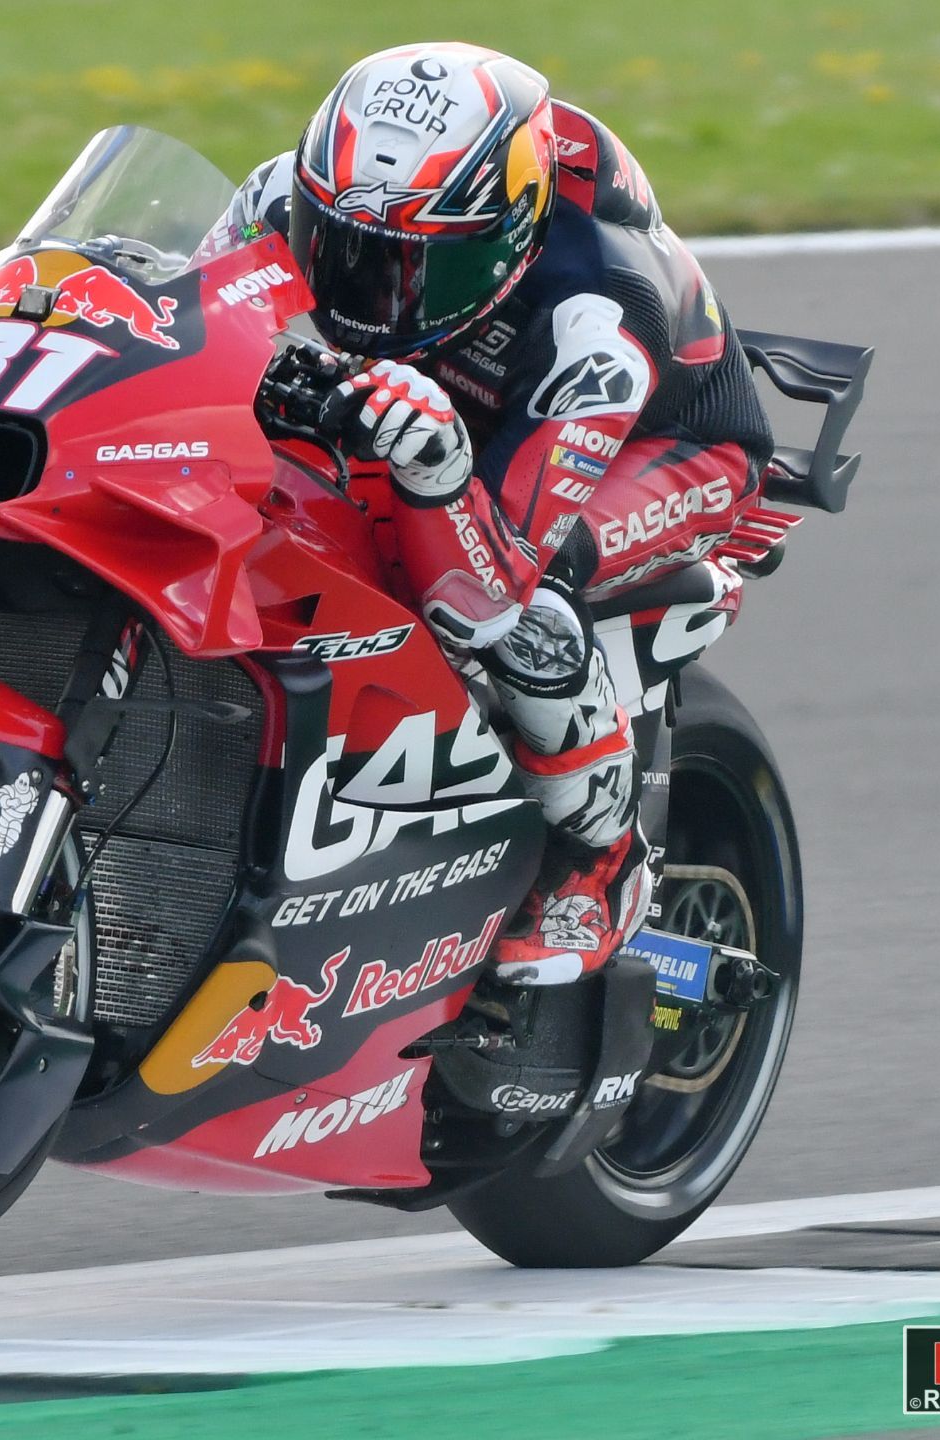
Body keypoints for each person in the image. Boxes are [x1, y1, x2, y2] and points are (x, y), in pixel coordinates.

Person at [231, 42, 773, 987]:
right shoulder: (293, 191)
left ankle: (599, 868)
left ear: (500, 238)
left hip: (661, 441)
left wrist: (439, 472)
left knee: (535, 613)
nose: (365, 289)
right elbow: (184, 313)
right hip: (448, 393)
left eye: (409, 267)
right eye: (343, 250)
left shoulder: (595, 311)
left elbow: (487, 592)